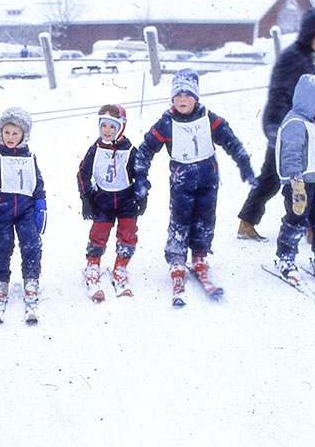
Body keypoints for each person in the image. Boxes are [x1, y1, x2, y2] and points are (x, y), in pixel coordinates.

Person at [134, 69, 255, 306]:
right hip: (182, 182)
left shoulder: (210, 120)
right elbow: (146, 149)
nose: (182, 100)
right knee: (180, 222)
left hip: (208, 181)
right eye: (177, 95)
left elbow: (232, 142)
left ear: (196, 98)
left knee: (205, 220)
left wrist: (245, 165)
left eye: (187, 95)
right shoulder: (167, 123)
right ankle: (177, 261)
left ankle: (200, 255)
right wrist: (140, 177)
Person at [237, 8, 315, 241]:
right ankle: (251, 224)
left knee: (293, 175)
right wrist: (276, 127)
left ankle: (309, 226)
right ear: (311, 33)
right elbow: (280, 92)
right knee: (286, 177)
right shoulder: (295, 57)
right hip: (284, 125)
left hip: (299, 124)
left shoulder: (308, 56)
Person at [0, 107, 47, 323]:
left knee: (31, 245)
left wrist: (41, 205)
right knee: (1, 247)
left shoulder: (30, 158)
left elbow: (38, 184)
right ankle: (0, 281)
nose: (10, 137)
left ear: (24, 135)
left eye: (15, 133)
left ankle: (31, 279)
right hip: (3, 211)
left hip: (26, 211)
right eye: (6, 132)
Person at [273, 74, 315, 284]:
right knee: (296, 220)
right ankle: (286, 258)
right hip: (298, 184)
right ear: (310, 103)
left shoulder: (310, 122)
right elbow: (290, 154)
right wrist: (296, 183)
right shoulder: (295, 123)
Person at [76, 104, 141, 301]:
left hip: (125, 199)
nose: (107, 131)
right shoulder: (95, 149)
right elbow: (82, 174)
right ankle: (93, 264)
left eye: (112, 127)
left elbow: (141, 174)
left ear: (120, 128)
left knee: (128, 233)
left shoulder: (129, 150)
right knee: (99, 233)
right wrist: (86, 198)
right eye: (103, 126)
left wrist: (142, 195)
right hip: (103, 199)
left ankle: (121, 267)